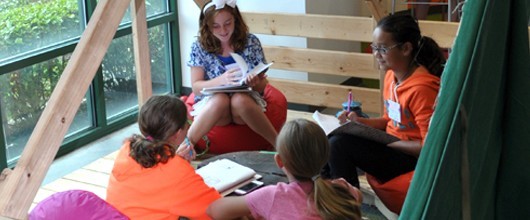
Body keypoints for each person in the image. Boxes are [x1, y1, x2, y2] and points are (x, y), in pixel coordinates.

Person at [323, 14, 445, 190]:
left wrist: (389, 142)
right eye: (374, 47)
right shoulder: (391, 76)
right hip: (394, 145)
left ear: (406, 49)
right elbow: (390, 120)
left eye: (382, 49)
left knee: (339, 146)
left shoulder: (422, 89)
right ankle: (327, 198)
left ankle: (344, 208)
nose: (376, 54)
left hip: (412, 159)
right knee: (332, 137)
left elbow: (429, 147)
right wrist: (359, 123)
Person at [207, 119, 362, 220]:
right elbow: (358, 197)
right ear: (325, 156)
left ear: (279, 160)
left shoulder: (272, 196)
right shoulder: (343, 188)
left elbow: (214, 210)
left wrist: (254, 208)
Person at [106, 95, 221, 220]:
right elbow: (215, 209)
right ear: (178, 133)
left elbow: (152, 179)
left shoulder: (127, 148)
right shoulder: (175, 168)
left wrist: (176, 160)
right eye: (188, 124)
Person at [186, 0, 278, 150]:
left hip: (244, 104)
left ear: (236, 19)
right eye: (215, 26)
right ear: (207, 27)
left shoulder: (251, 41)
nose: (223, 30)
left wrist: (254, 82)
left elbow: (263, 84)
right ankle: (187, 145)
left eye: (228, 23)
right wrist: (220, 81)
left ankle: (279, 144)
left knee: (239, 99)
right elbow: (196, 87)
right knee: (221, 100)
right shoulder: (199, 46)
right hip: (215, 106)